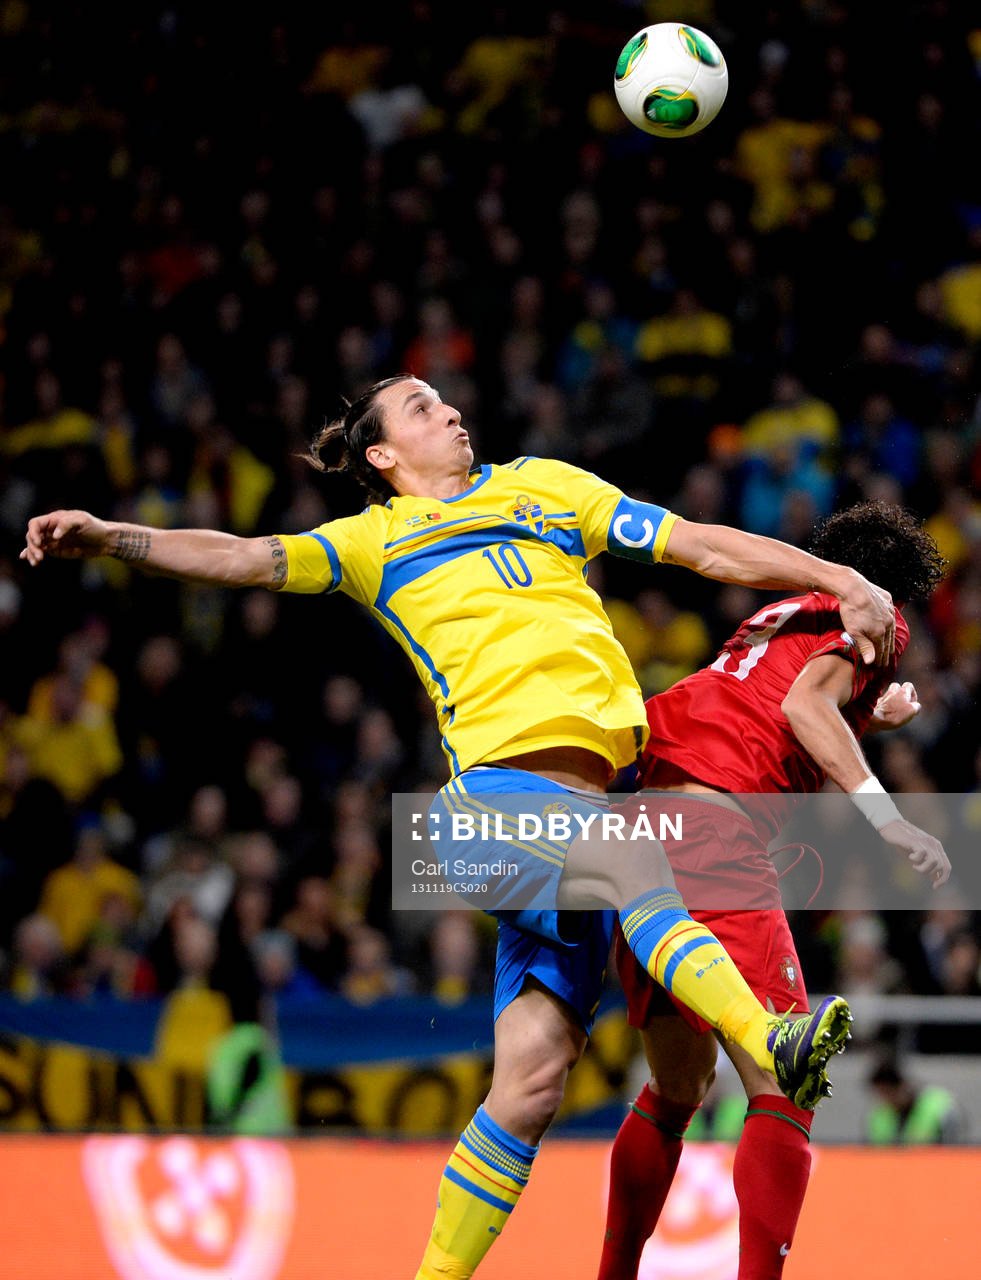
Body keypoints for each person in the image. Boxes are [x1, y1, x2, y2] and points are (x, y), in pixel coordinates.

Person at [22, 375, 895, 1280]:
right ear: (381, 457)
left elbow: (703, 546)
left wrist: (833, 576)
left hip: (584, 820)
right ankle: (766, 1039)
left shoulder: (548, 488)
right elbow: (242, 558)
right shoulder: (369, 541)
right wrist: (110, 538)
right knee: (635, 861)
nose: (448, 411)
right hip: (496, 808)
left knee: (529, 1085)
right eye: (421, 408)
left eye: (444, 400)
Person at [596, 502, 950, 1280]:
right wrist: (884, 815)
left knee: (676, 1087)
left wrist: (865, 719)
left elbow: (776, 706)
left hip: (642, 832)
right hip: (714, 839)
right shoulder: (871, 616)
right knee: (785, 1081)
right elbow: (802, 707)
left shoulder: (781, 610)